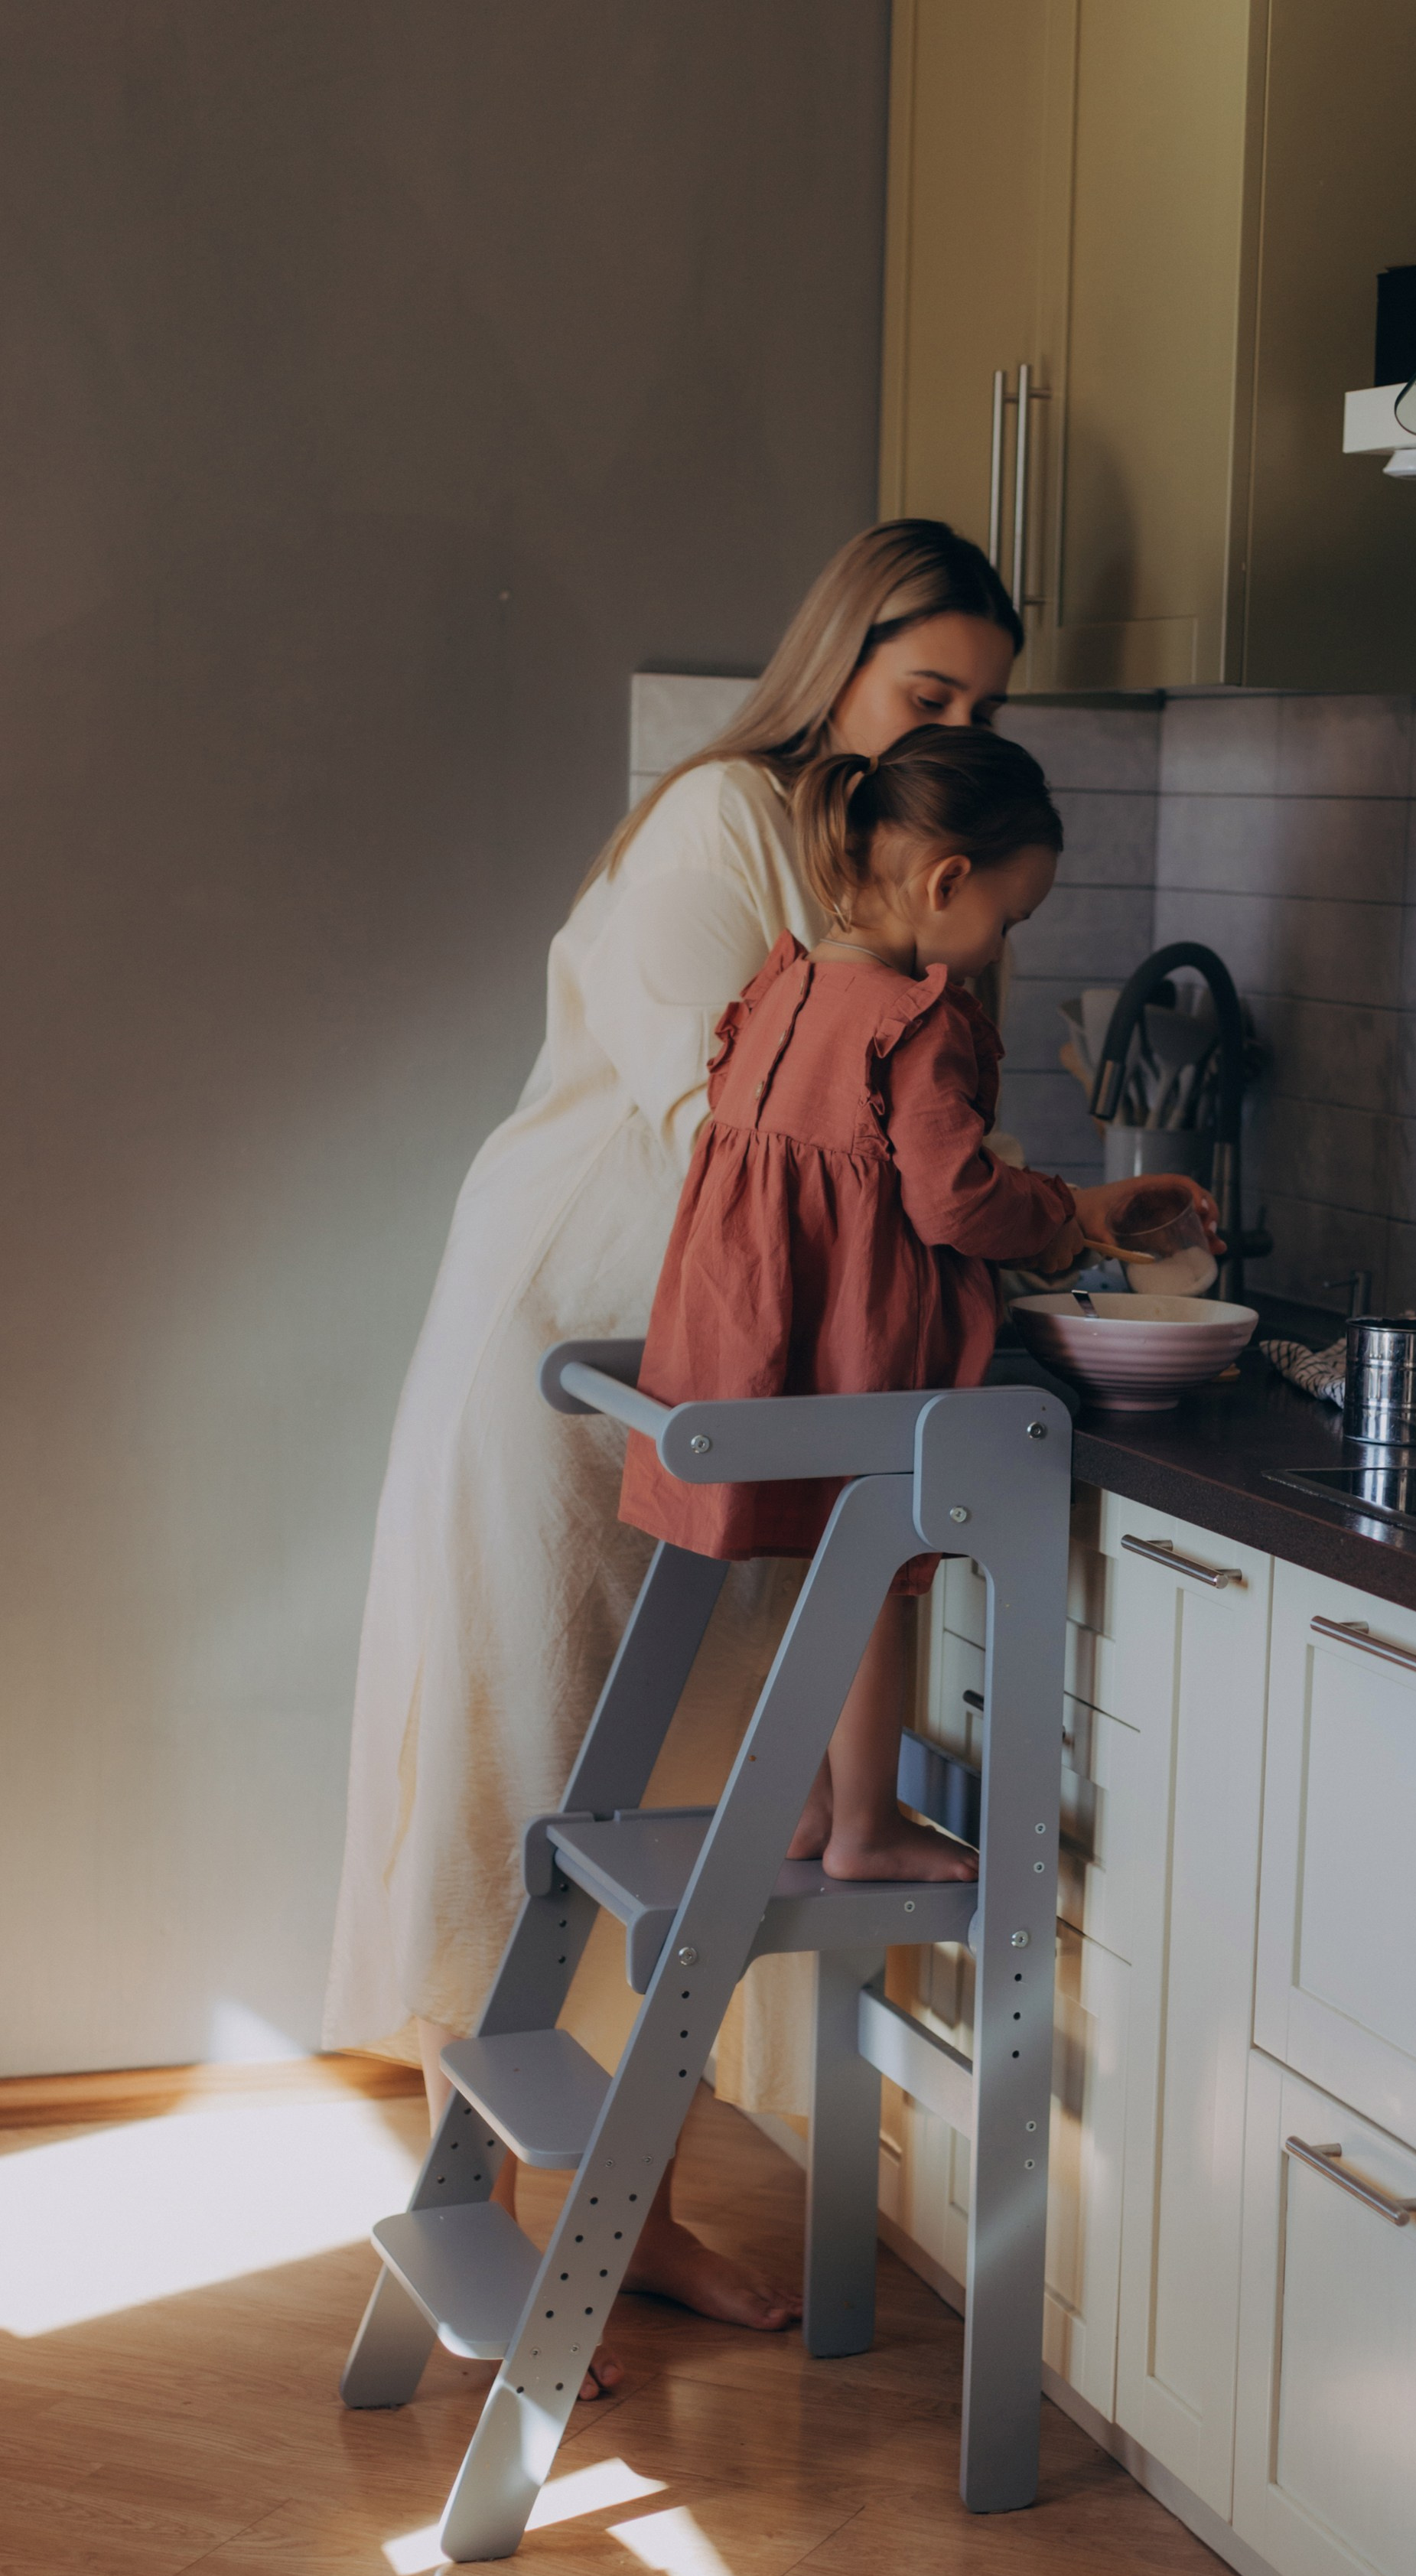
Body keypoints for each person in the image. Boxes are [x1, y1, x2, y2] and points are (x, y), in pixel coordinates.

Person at [324, 518, 1213, 2393]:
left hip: (719, 1358)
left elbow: (872, 1144)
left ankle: (603, 2216)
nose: (950, 721)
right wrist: (1000, 1220)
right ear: (844, 662)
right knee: (523, 1755)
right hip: (571, 1335)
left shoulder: (875, 863)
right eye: (926, 690)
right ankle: (543, 2215)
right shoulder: (733, 819)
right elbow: (739, 1121)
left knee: (639, 1782)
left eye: (981, 700)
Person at [621, 727, 1082, 1883]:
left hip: (756, 1337)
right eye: (1010, 918)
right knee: (876, 1578)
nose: (1000, 946)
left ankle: (808, 1804)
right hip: (856, 1351)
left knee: (817, 1579)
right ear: (944, 881)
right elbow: (957, 1202)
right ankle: (867, 1825)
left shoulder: (787, 988)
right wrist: (1069, 1219)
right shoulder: (915, 1022)